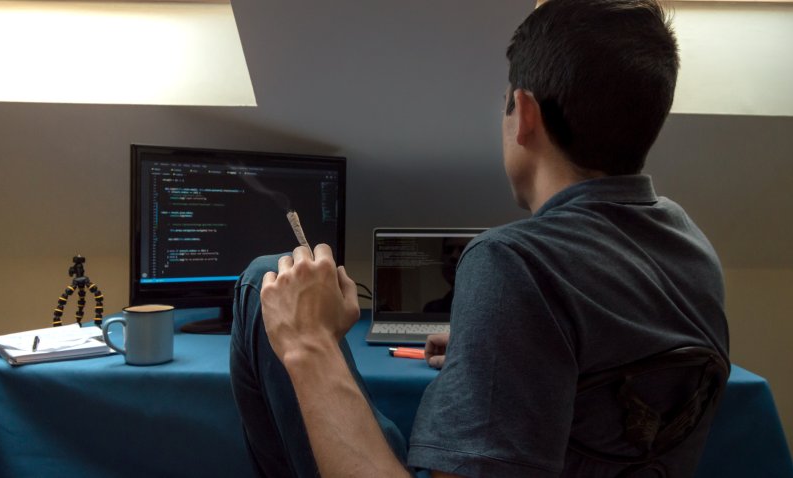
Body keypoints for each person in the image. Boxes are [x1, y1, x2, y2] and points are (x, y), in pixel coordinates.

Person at [229, 0, 730, 476]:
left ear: (526, 114)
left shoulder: (513, 262)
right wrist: (500, 355)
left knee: (261, 280)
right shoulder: (691, 246)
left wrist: (310, 344)